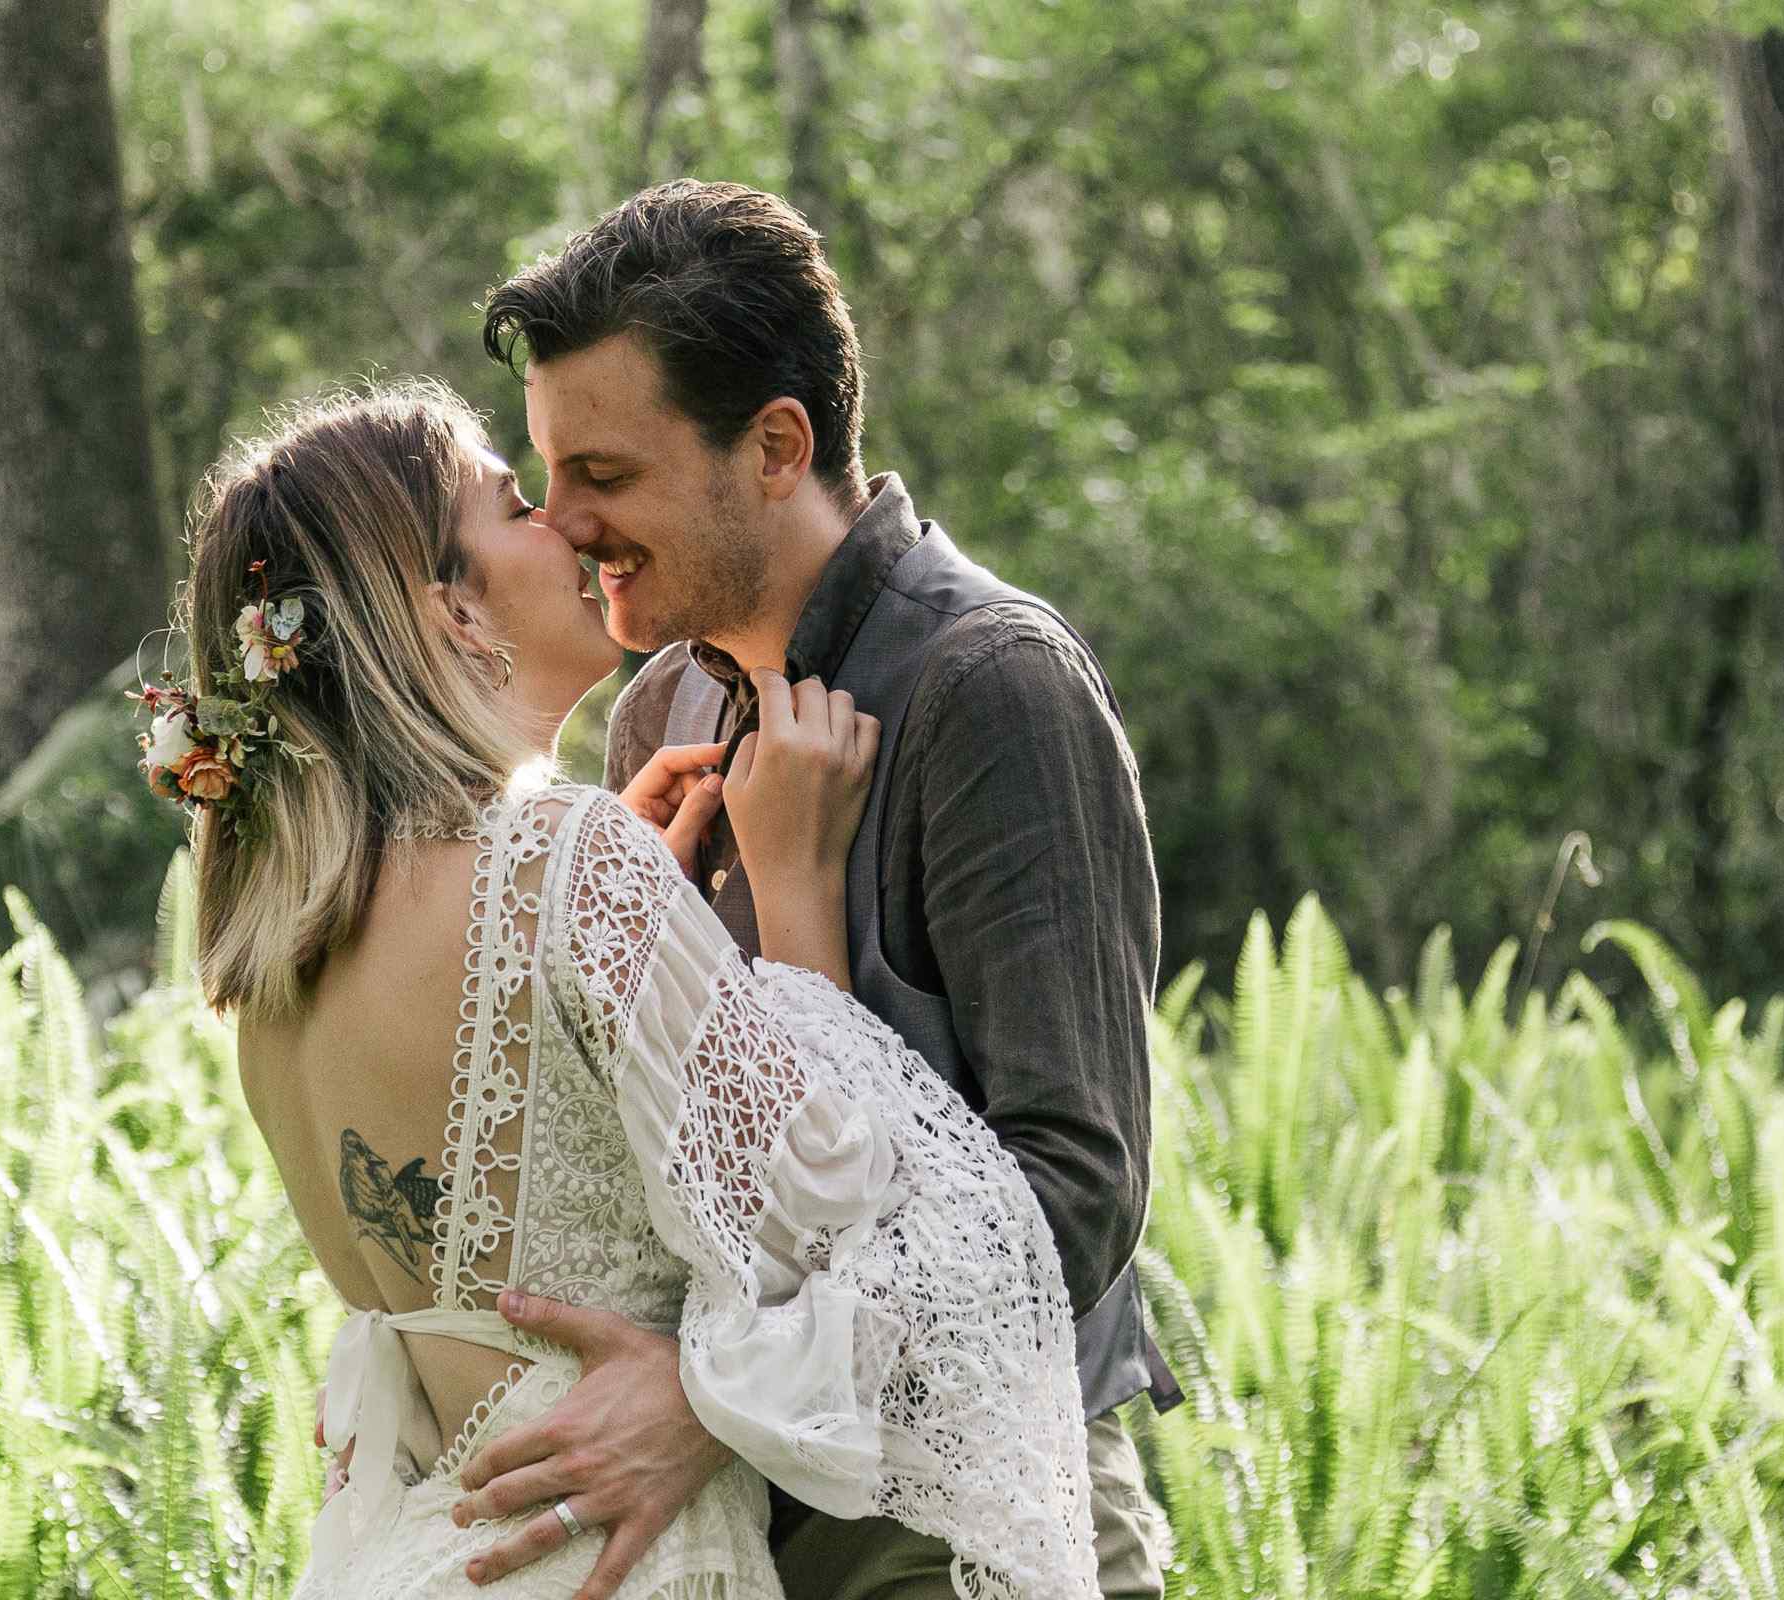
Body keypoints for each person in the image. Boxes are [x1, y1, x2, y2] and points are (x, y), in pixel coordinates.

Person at [143, 380, 1102, 1599]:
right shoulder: (563, 860)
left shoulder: (273, 970)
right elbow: (826, 1207)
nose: (565, 521)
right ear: (450, 603)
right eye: (513, 504)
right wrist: (789, 878)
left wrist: (634, 931)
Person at [447, 180, 1180, 1600]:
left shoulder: (991, 688)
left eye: (605, 474)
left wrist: (706, 1406)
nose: (565, 523)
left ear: (776, 446)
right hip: (747, 1535)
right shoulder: (658, 707)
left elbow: (1075, 1195)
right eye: (547, 476)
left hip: (969, 1517)